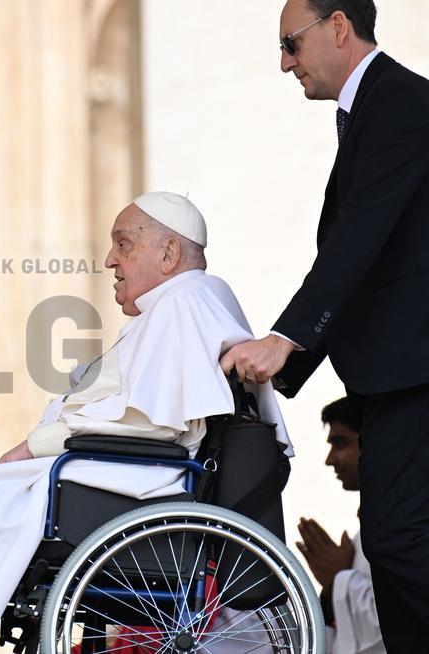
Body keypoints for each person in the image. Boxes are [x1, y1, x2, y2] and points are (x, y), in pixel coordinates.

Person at [0, 192, 292, 654]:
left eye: (124, 244)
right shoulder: (186, 302)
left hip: (121, 478)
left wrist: (36, 444)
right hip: (112, 473)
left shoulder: (185, 302)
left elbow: (151, 423)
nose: (110, 259)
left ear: (169, 253)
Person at [220, 1, 429, 648]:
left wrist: (286, 339)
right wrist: (287, 368)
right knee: (398, 545)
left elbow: (358, 238)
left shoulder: (398, 102)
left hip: (417, 370)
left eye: (291, 43)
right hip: (396, 372)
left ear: (338, 26)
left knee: (398, 543)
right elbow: (365, 262)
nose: (284, 62)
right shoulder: (374, 110)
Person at [296, 397, 384, 654]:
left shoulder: (413, 524)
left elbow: (402, 620)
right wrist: (330, 593)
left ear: (373, 442)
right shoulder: (362, 536)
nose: (330, 459)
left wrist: (339, 579)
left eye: (341, 443)